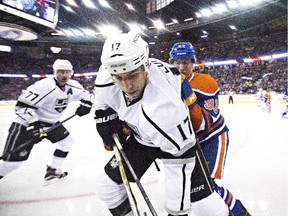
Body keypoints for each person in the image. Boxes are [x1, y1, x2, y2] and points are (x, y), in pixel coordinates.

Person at [94, 32, 231, 216]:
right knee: (106, 188)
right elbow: (102, 101)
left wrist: (176, 211)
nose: (127, 86)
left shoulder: (165, 107)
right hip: (143, 139)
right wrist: (103, 117)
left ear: (146, 66)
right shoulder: (108, 72)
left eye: (133, 76)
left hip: (177, 143)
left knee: (204, 207)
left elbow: (180, 164)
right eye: (119, 78)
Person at [169, 42, 250, 216]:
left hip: (213, 138)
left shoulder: (206, 83)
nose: (181, 67)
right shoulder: (168, 84)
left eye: (186, 62)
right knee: (194, 188)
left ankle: (239, 212)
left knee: (207, 186)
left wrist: (188, 94)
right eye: (177, 62)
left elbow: (203, 124)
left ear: (193, 62)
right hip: (191, 143)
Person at [0, 59, 93, 182]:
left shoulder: (74, 85)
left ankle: (53, 170)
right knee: (12, 164)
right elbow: (21, 107)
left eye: (67, 72)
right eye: (61, 72)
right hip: (26, 123)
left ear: (71, 73)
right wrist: (34, 125)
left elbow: (88, 95)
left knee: (67, 142)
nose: (64, 75)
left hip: (50, 124)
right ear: (55, 72)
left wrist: (87, 105)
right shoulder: (43, 86)